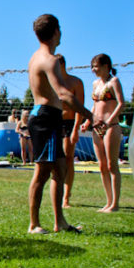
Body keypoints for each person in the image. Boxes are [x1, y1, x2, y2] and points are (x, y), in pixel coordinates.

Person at [26, 14, 97, 234]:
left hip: (47, 116)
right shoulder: (50, 60)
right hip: (45, 118)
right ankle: (34, 224)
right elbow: (64, 94)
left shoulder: (36, 57)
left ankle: (60, 223)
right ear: (56, 31)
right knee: (42, 172)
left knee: (60, 168)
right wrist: (90, 115)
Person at [83, 53, 124, 213]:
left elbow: (121, 103)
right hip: (97, 127)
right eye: (92, 67)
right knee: (102, 166)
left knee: (112, 165)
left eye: (96, 66)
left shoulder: (114, 82)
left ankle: (115, 203)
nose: (94, 70)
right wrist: (88, 121)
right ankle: (108, 201)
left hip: (111, 126)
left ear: (106, 66)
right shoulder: (95, 84)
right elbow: (95, 105)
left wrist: (109, 121)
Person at [55, 54, 85, 208]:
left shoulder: (75, 82)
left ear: (62, 64)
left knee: (68, 158)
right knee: (55, 160)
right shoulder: (52, 82)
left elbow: (79, 107)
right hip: (54, 122)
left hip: (69, 123)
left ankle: (66, 196)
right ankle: (58, 193)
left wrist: (76, 128)